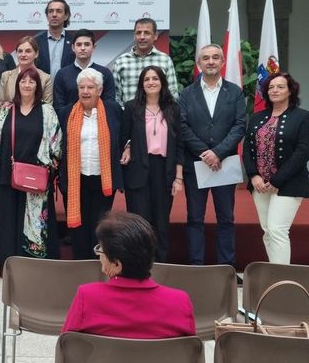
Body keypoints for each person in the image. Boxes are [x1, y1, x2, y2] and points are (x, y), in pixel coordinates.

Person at [62, 211, 196, 338]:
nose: (98, 254)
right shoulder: (180, 302)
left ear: (116, 264)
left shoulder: (87, 297)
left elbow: (67, 348)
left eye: (101, 250)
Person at [0, 68, 61, 280]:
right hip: (7, 173)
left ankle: (31, 262)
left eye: (31, 82)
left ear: (38, 86)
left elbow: (56, 145)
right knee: (4, 217)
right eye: (23, 81)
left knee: (33, 221)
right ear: (17, 85)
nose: (27, 85)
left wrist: (50, 166)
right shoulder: (7, 110)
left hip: (36, 176)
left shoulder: (47, 111)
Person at [179, 44, 245, 266]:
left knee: (226, 219)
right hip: (195, 165)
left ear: (223, 62)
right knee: (194, 218)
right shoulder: (187, 94)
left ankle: (227, 266)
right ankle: (196, 266)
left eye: (215, 57)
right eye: (205, 58)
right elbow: (183, 126)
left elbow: (239, 125)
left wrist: (218, 152)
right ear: (199, 64)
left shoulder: (235, 92)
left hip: (224, 164)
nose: (210, 62)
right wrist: (204, 153)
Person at [57, 68, 124, 260]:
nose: (86, 91)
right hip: (75, 178)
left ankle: (100, 261)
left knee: (100, 223)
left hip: (103, 178)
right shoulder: (66, 112)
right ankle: (80, 262)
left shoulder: (113, 110)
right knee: (78, 226)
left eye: (90, 87)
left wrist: (127, 147)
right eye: (82, 87)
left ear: (100, 90)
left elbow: (124, 137)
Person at [120, 66, 183, 262]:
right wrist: (128, 147)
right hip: (138, 170)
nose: (151, 82)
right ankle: (139, 264)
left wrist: (178, 177)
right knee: (139, 222)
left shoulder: (173, 109)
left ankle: (161, 264)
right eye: (146, 79)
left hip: (164, 171)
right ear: (141, 84)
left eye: (155, 78)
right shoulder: (132, 108)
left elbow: (180, 145)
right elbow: (123, 137)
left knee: (162, 222)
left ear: (162, 82)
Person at [245, 73, 308, 265]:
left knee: (277, 229)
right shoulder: (257, 117)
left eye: (280, 87)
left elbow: (303, 151)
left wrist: (276, 180)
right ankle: (274, 272)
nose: (275, 90)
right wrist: (253, 175)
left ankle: (282, 280)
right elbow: (247, 148)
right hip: (260, 185)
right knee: (267, 230)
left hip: (288, 184)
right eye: (271, 87)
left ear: (290, 91)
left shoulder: (302, 117)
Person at [112, 18, 179, 106]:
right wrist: (125, 114)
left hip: (158, 117)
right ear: (134, 36)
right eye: (138, 33)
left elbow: (172, 93)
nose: (142, 37)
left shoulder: (165, 60)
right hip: (128, 117)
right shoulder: (121, 61)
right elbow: (116, 96)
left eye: (147, 33)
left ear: (155, 36)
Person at [52, 29, 116, 111]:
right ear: (73, 47)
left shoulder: (105, 73)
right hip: (69, 121)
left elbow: (110, 104)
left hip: (99, 121)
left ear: (94, 47)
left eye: (87, 44)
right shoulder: (62, 74)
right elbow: (58, 107)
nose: (82, 48)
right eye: (79, 45)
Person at [0, 36, 53, 106]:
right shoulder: (6, 76)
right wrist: (5, 107)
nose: (23, 55)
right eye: (20, 51)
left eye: (28, 51)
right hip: (11, 116)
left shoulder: (46, 78)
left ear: (36, 54)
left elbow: (48, 108)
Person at [31, 0, 75, 80]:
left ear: (66, 16)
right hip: (42, 90)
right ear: (47, 16)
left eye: (58, 11)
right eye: (51, 11)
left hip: (67, 91)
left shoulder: (74, 42)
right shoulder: (35, 42)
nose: (54, 14)